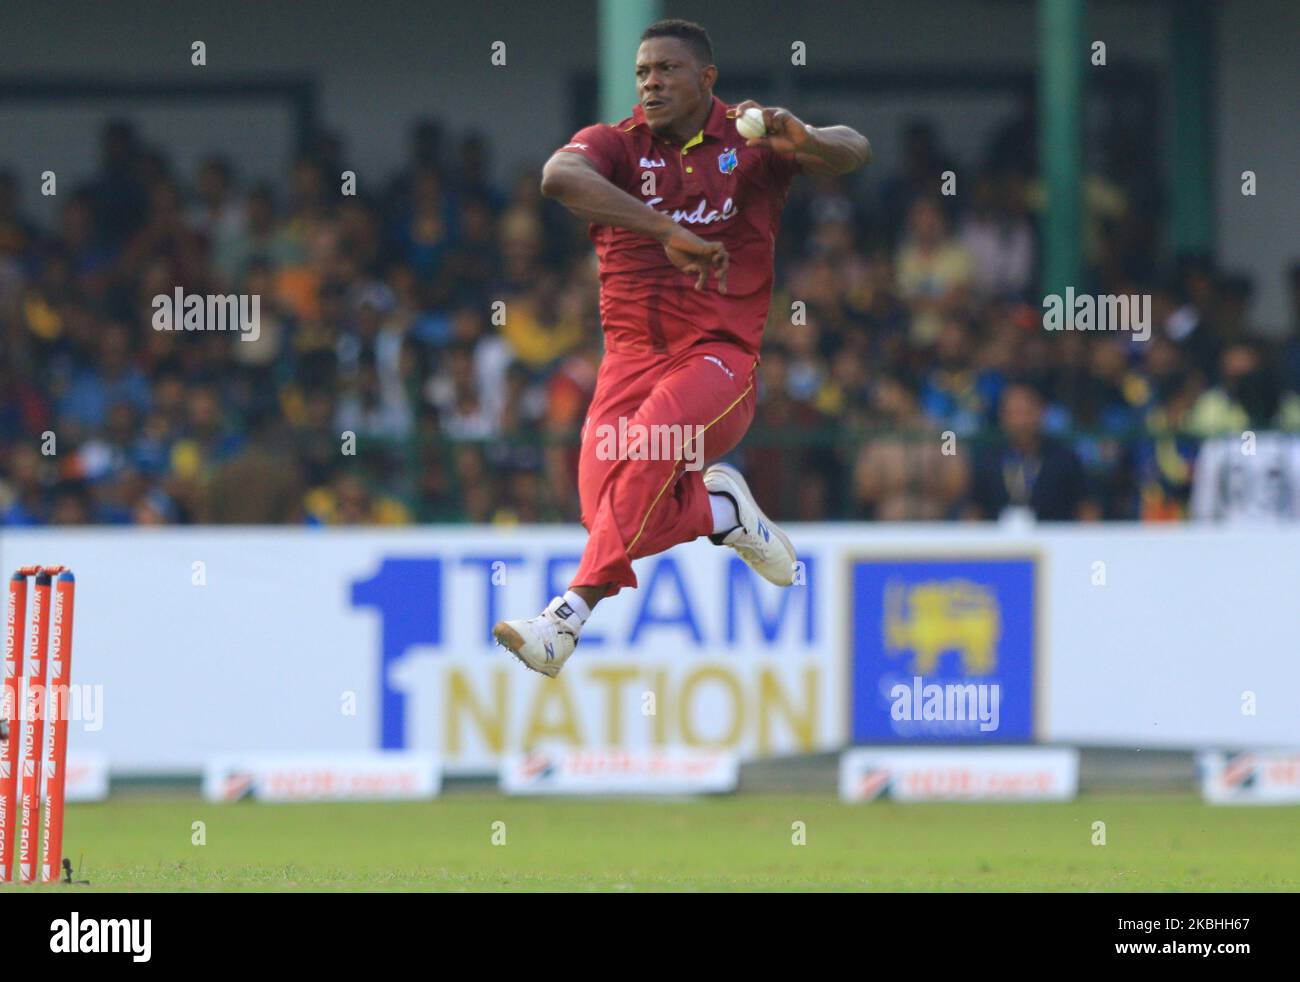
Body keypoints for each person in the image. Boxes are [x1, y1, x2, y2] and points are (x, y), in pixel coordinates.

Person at [491, 18, 871, 676]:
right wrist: (663, 226)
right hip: (629, 362)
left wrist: (805, 137)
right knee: (604, 510)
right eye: (643, 73)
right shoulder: (616, 146)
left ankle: (565, 620)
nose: (651, 83)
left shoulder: (752, 142)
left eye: (666, 70)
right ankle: (721, 510)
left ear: (706, 78)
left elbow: (855, 148)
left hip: (718, 360)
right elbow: (558, 176)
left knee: (651, 447)